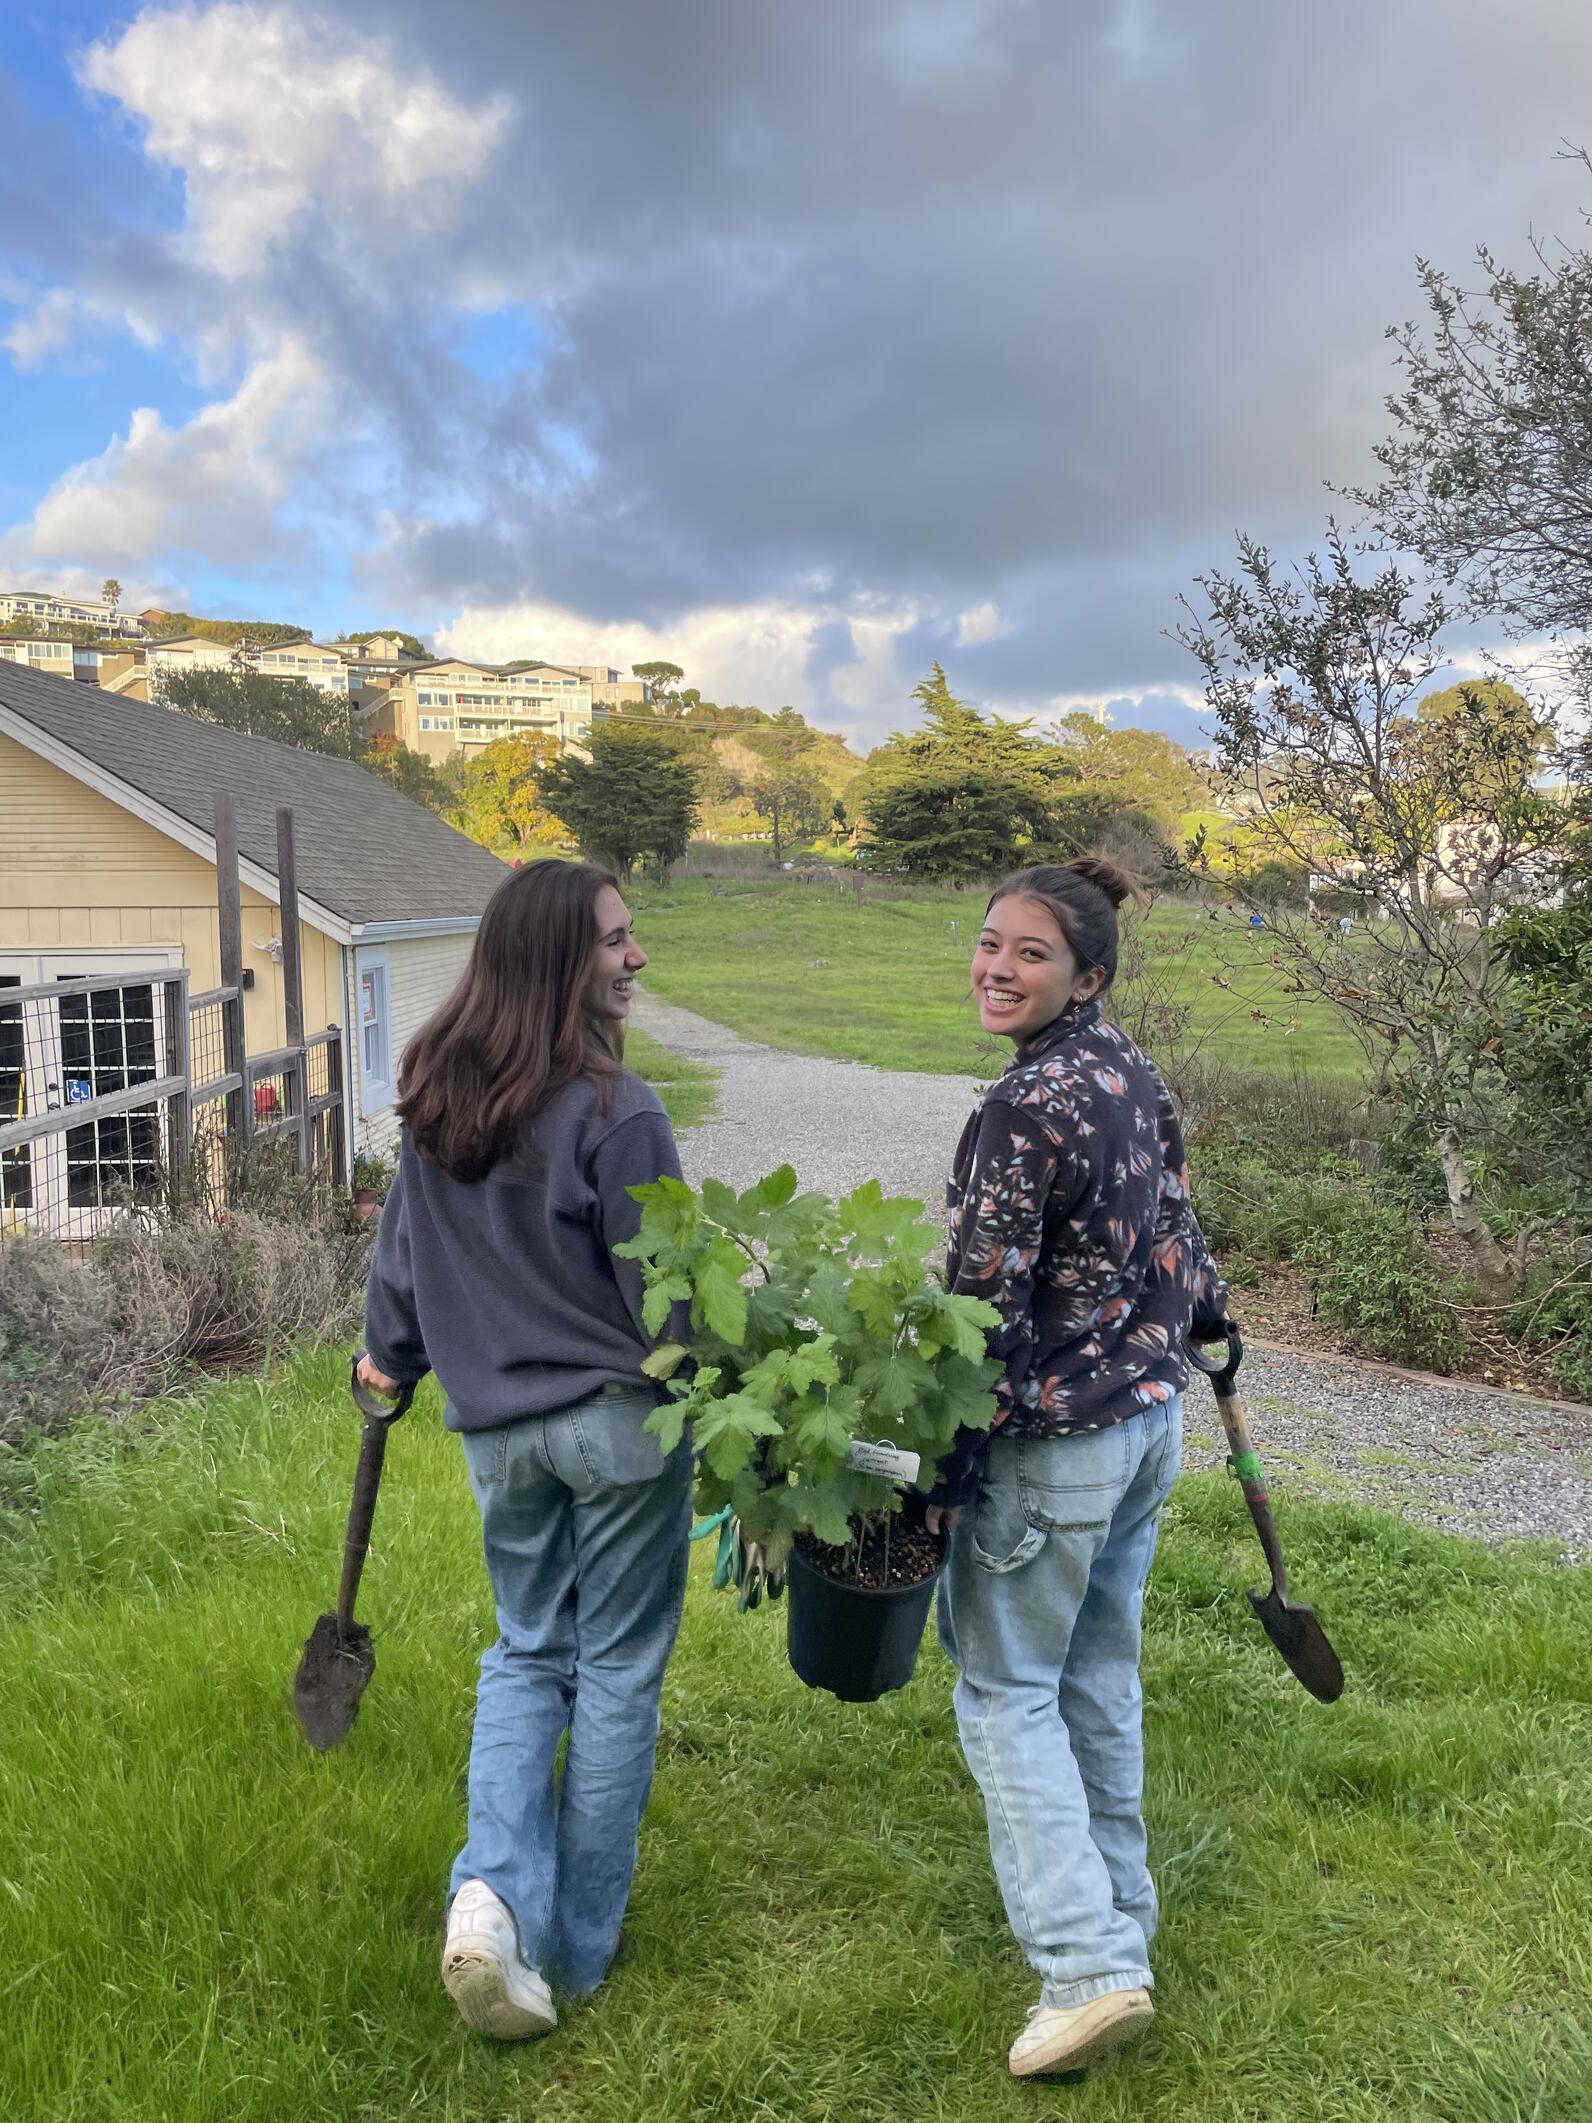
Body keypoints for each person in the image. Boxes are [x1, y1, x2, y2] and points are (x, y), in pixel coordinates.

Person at [357, 860, 692, 2041]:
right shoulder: (616, 1110)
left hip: (498, 1432)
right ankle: (573, 1947)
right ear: (559, 960)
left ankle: (492, 1899)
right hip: (616, 1424)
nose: (633, 957)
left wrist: (388, 1354)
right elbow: (668, 1299)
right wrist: (718, 1374)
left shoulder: (436, 1090)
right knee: (614, 1668)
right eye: (611, 941)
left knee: (524, 1651)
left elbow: (401, 1253)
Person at [926, 858, 1228, 2082]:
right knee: (1094, 1677)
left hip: (1054, 1444)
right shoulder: (1129, 1068)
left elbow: (980, 1309)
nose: (997, 966)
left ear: (1085, 974)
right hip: (1146, 1425)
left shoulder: (1029, 1103)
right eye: (989, 941)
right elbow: (1179, 1222)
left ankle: (1083, 1961)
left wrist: (937, 1465)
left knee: (1003, 1690)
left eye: (1030, 952)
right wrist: (1205, 1314)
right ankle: (1124, 1933)